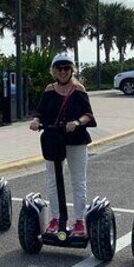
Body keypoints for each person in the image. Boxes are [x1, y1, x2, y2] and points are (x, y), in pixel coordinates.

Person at [29, 53, 97, 236]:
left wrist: (76, 123)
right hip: (53, 140)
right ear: (54, 71)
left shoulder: (79, 89)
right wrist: (35, 120)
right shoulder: (49, 90)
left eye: (67, 68)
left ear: (72, 70)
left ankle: (79, 221)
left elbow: (88, 115)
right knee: (52, 180)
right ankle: (56, 218)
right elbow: (39, 111)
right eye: (59, 68)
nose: (63, 71)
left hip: (76, 140)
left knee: (78, 181)